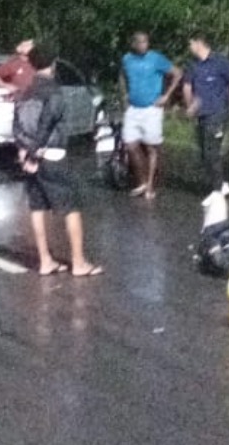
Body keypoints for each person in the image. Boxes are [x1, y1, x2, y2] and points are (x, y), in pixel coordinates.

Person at [13, 45, 103, 277]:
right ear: (52, 64)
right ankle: (79, 263)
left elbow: (16, 124)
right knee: (71, 207)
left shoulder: (25, 91)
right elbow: (47, 122)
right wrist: (34, 152)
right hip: (50, 155)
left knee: (38, 207)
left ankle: (45, 261)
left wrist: (24, 151)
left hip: (28, 156)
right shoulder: (53, 92)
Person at [119, 32, 182, 200]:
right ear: (133, 44)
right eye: (139, 42)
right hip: (134, 108)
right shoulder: (127, 59)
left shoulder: (155, 59)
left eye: (145, 42)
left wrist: (167, 95)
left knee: (151, 147)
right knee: (130, 144)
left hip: (151, 108)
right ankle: (142, 181)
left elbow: (177, 73)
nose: (143, 45)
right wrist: (124, 95)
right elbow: (122, 76)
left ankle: (150, 186)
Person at [182, 32, 229, 194]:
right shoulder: (192, 65)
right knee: (204, 153)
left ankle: (217, 191)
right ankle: (221, 183)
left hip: (217, 113)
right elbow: (187, 87)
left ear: (198, 43)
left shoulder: (220, 63)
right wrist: (190, 107)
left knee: (212, 152)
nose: (189, 47)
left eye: (190, 43)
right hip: (201, 115)